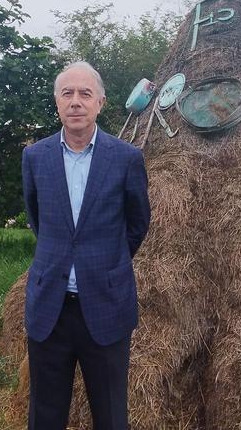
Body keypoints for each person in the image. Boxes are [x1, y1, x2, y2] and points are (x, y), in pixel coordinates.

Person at [21, 61, 152, 429]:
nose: (75, 102)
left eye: (85, 94)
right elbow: (38, 219)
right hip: (50, 309)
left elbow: (137, 222)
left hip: (106, 306)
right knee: (45, 416)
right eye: (67, 93)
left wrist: (106, 263)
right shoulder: (35, 157)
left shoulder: (126, 158)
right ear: (57, 102)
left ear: (100, 102)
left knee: (111, 416)